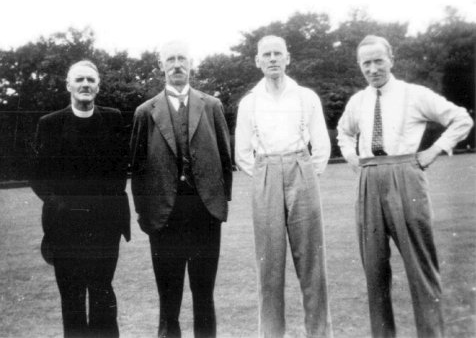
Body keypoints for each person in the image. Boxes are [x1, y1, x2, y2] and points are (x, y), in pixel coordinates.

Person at [337, 35, 474, 338]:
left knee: (420, 268)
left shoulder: (414, 94)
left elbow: (461, 119)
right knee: (374, 271)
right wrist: (351, 156)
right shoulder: (358, 101)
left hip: (406, 175)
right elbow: (344, 132)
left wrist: (434, 150)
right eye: (366, 63)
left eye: (378, 61)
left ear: (391, 59)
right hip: (369, 178)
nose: (373, 69)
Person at [130, 40, 232, 338]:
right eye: (170, 59)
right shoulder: (144, 112)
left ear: (191, 64)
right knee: (168, 297)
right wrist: (144, 213)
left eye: (182, 59)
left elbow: (225, 161)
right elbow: (136, 169)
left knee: (204, 294)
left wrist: (220, 203)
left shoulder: (212, 106)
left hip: (205, 213)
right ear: (161, 65)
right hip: (164, 216)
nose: (177, 64)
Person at [235, 35, 333, 338]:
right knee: (269, 266)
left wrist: (306, 172)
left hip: (301, 170)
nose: (273, 59)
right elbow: (241, 153)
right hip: (265, 172)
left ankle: (319, 333)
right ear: (258, 61)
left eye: (278, 53)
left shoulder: (305, 97)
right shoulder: (249, 102)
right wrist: (266, 174)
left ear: (288, 58)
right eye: (267, 54)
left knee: (312, 263)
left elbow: (321, 145)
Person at [31, 60, 131, 338]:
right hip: (64, 228)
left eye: (90, 79)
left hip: (105, 227)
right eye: (79, 80)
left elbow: (119, 170)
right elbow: (38, 177)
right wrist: (62, 205)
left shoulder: (113, 119)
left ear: (98, 86)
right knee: (72, 300)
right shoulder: (49, 124)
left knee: (102, 295)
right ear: (69, 86)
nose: (85, 84)